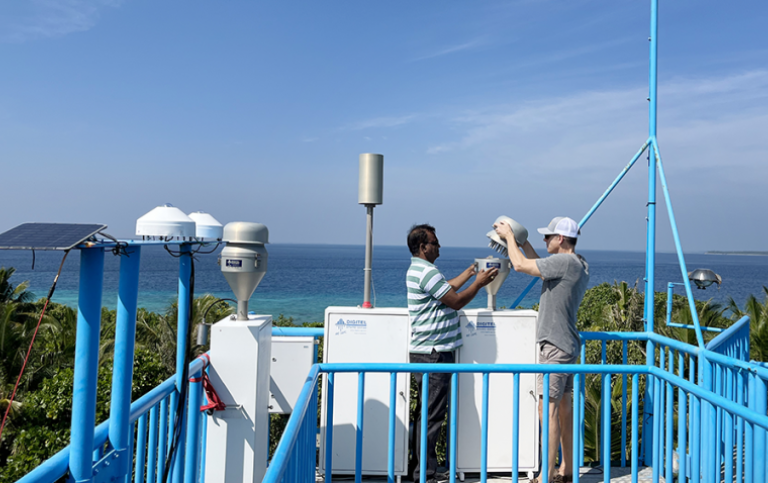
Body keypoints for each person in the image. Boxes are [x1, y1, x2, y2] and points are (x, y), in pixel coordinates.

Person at [494, 217, 589, 483]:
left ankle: (545, 474)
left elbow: (521, 265)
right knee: (564, 408)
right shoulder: (577, 263)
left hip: (555, 347)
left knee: (546, 409)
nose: (544, 240)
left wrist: (510, 236)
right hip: (568, 345)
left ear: (560, 239)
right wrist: (523, 243)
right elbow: (539, 264)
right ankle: (567, 469)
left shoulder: (564, 262)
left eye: (548, 237)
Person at [406, 224, 498, 483]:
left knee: (426, 412)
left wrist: (470, 272)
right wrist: (478, 283)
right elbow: (455, 300)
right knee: (432, 416)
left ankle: (421, 470)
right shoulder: (427, 272)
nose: (439, 246)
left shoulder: (421, 270)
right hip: (433, 353)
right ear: (423, 247)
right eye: (434, 242)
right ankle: (425, 474)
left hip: (426, 351)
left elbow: (446, 288)